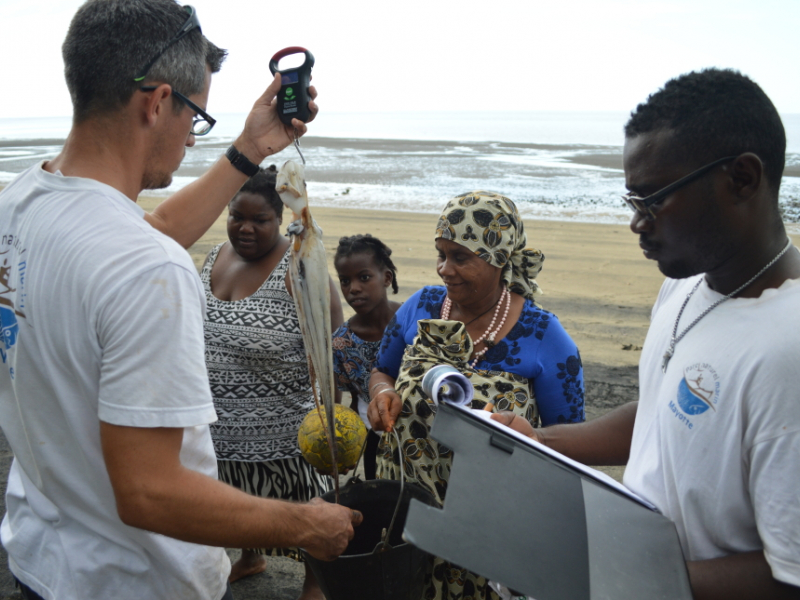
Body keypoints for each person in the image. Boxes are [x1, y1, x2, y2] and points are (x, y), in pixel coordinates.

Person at [0, 2, 360, 600]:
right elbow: (149, 491)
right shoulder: (147, 269)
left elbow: (143, 236)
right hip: (132, 582)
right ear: (157, 102)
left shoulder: (20, 204)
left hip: (42, 552)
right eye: (196, 116)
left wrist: (248, 147)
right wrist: (303, 523)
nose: (193, 136)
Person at [495, 69, 800, 600]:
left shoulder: (787, 352)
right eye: (631, 201)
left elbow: (787, 574)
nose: (637, 223)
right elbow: (666, 414)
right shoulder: (687, 287)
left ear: (742, 179)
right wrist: (541, 442)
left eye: (653, 200)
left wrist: (607, 575)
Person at [368, 191, 585, 600]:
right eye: (441, 253)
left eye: (460, 257)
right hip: (407, 511)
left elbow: (567, 442)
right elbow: (382, 368)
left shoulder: (544, 336)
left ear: (499, 258)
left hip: (488, 528)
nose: (444, 269)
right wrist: (382, 393)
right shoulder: (422, 306)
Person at [201, 169, 344, 597]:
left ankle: (315, 584)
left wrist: (335, 417)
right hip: (218, 428)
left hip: (284, 435)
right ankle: (251, 555)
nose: (245, 228)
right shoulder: (213, 257)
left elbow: (332, 346)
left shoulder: (302, 267)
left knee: (306, 511)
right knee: (235, 502)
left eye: (259, 219)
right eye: (236, 215)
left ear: (280, 217)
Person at [332, 234, 401, 480]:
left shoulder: (412, 321)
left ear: (386, 278)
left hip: (420, 430)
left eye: (364, 277)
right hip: (375, 434)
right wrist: (349, 448)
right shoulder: (342, 342)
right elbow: (354, 400)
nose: (353, 288)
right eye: (345, 281)